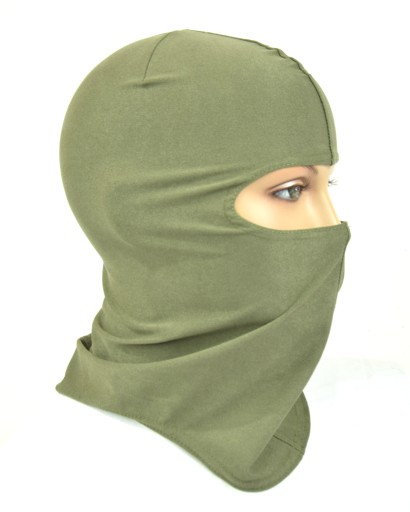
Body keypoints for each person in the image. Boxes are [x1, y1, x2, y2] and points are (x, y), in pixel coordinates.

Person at [54, 28, 351, 492]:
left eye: (326, 186)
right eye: (291, 191)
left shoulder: (378, 414)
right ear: (153, 213)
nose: (331, 226)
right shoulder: (56, 481)